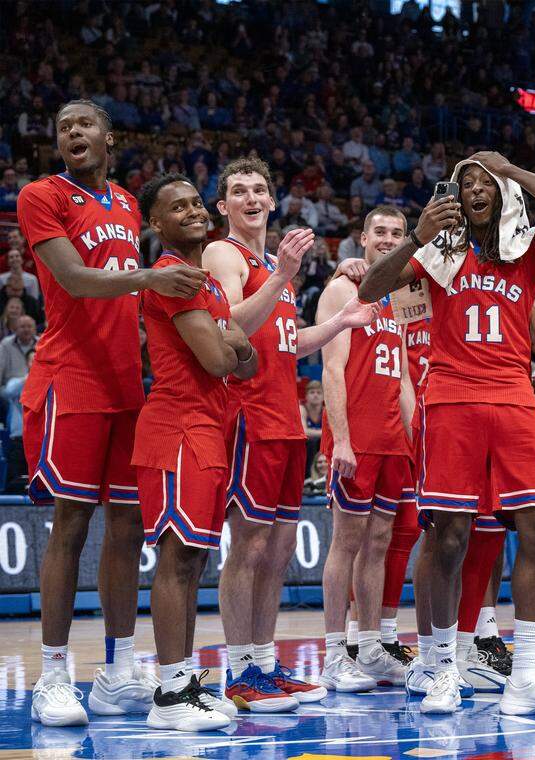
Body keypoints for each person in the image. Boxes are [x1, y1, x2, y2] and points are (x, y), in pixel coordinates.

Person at [355, 151, 535, 716]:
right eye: (465, 183)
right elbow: (370, 287)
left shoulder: (531, 248)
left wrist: (510, 168)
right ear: (455, 198)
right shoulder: (440, 252)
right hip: (452, 400)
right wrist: (415, 237)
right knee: (449, 538)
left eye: (483, 182)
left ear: (501, 191)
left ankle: (532, 672)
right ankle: (442, 665)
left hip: (514, 397)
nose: (474, 189)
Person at [18, 100, 209, 727]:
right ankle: (52, 675)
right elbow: (74, 279)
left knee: (127, 528)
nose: (72, 132)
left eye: (83, 124)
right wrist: (149, 278)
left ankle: (119, 669)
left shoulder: (129, 203)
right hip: (68, 382)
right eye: (62, 126)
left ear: (109, 137)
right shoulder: (41, 195)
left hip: (129, 385)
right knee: (70, 528)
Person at [204, 157, 374, 711]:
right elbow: (230, 326)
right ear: (223, 206)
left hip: (285, 421)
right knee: (249, 548)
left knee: (277, 553)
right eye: (238, 191)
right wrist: (281, 273)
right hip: (247, 416)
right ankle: (237, 671)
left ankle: (263, 663)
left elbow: (286, 340)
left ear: (274, 202)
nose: (251, 198)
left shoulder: (266, 262)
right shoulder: (223, 254)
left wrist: (338, 325)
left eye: (259, 190)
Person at [135, 174, 259, 731]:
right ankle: (168, 693)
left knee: (194, 560)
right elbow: (219, 359)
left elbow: (248, 358)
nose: (189, 212)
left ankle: (184, 681)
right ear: (156, 225)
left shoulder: (206, 282)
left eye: (193, 203)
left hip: (209, 428)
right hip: (177, 427)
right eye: (174, 207)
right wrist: (227, 339)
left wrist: (228, 339)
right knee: (177, 557)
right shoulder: (169, 275)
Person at [316, 205, 413, 693]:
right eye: (381, 232)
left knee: (378, 544)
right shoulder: (342, 288)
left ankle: (370, 646)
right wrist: (342, 440)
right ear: (363, 238)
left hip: (394, 442)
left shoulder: (400, 298)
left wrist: (415, 440)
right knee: (346, 543)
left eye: (397, 233)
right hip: (356, 440)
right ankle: (335, 654)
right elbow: (331, 369)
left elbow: (402, 378)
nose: (389, 239)